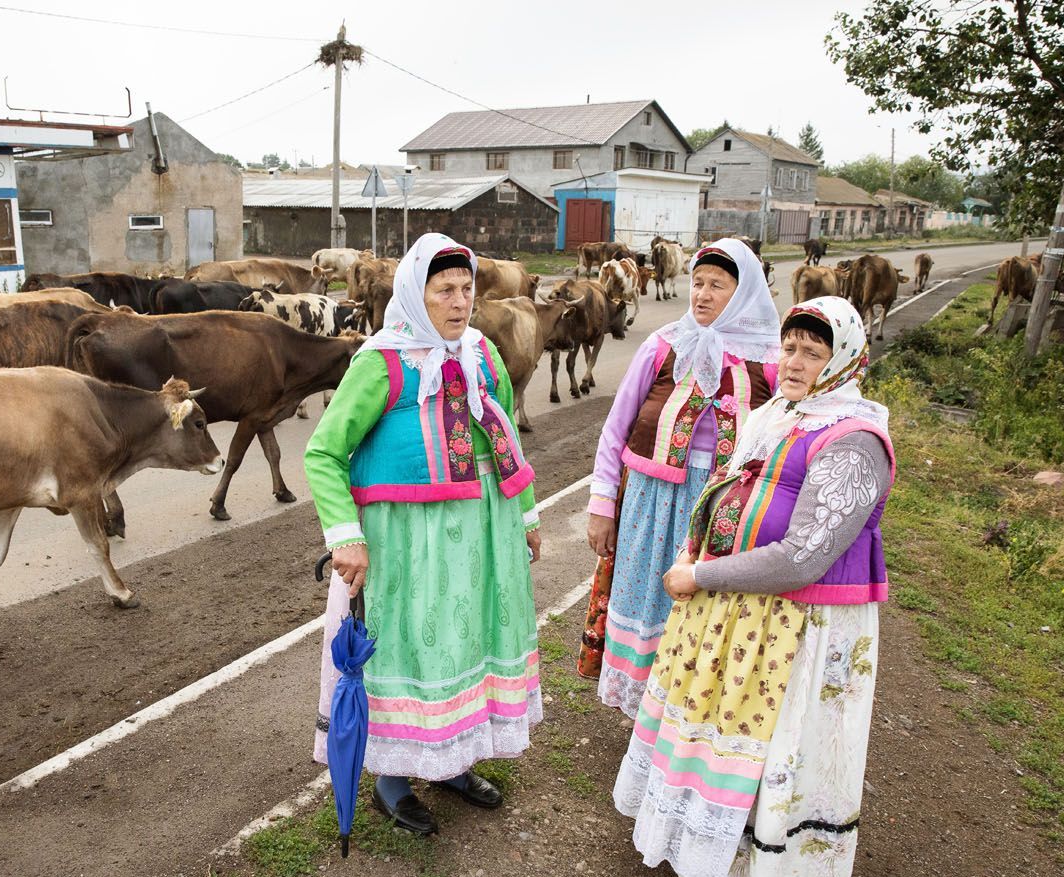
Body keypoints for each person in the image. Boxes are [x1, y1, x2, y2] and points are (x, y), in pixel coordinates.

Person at [612, 296, 895, 877]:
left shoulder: (855, 443)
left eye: (813, 353)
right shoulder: (779, 415)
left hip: (799, 625)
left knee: (775, 746)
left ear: (843, 362)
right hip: (738, 613)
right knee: (721, 734)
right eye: (789, 348)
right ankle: (701, 844)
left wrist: (701, 574)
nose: (794, 362)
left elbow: (802, 558)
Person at [303, 233, 542, 836]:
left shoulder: (482, 353)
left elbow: (507, 437)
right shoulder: (382, 363)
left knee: (464, 641)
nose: (460, 302)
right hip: (406, 539)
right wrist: (345, 536)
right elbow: (323, 452)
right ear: (416, 294)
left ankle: (451, 761)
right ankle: (392, 779)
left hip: (481, 530)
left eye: (466, 289)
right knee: (408, 644)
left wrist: (526, 515)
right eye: (444, 291)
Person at [581, 239, 780, 718]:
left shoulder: (771, 360)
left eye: (718, 285)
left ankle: (689, 717)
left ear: (744, 292)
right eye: (698, 283)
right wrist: (602, 505)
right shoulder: (664, 344)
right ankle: (643, 714)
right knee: (648, 599)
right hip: (652, 502)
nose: (702, 294)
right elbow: (615, 429)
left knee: (707, 608)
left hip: (723, 510)